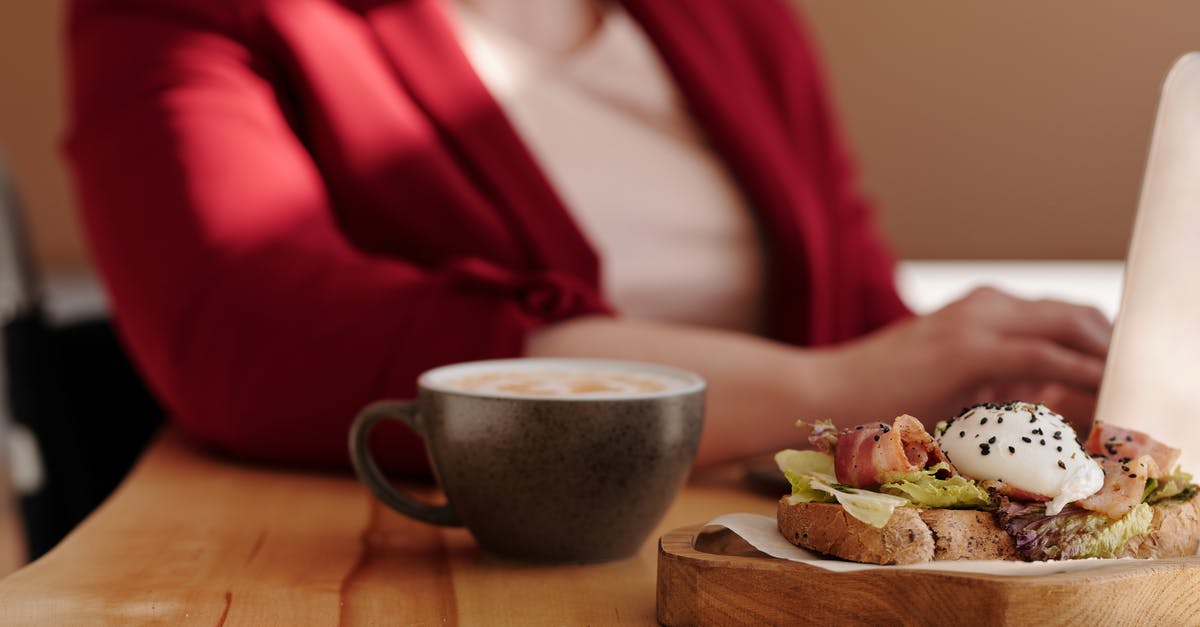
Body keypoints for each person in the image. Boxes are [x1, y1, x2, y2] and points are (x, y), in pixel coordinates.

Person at [64, 0, 1110, 473]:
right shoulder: (194, 11)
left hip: (750, 563)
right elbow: (248, 332)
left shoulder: (733, 19)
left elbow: (862, 322)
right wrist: (826, 392)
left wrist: (995, 380)